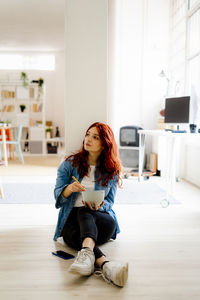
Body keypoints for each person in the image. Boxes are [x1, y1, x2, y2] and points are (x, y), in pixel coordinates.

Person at [54, 122, 128, 287]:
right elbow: (58, 199)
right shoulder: (69, 164)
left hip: (102, 221)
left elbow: (110, 202)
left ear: (104, 144)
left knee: (85, 211)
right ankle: (106, 265)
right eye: (88, 134)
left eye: (95, 137)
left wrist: (100, 206)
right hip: (72, 222)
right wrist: (69, 189)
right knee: (75, 229)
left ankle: (87, 255)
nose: (88, 139)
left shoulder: (112, 169)